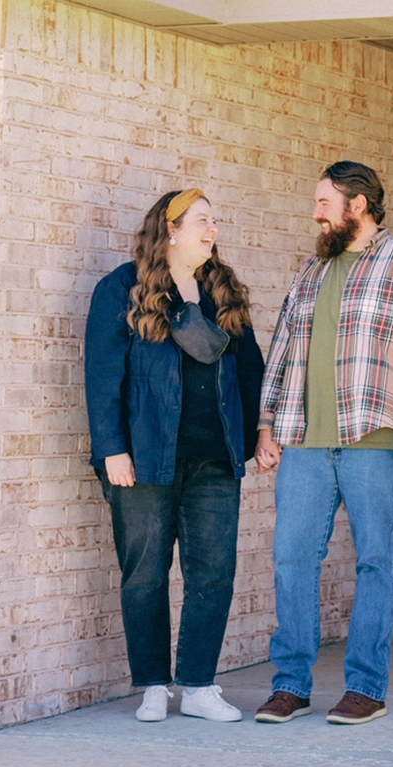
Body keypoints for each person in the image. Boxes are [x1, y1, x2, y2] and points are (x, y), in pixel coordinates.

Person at [253, 161, 393, 726]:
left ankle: (366, 687)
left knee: (375, 561)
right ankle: (290, 686)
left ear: (358, 204)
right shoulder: (309, 271)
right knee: (292, 560)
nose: (315, 213)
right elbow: (282, 351)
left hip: (377, 436)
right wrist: (267, 424)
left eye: (324, 202)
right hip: (305, 442)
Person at [84, 189, 264, 723]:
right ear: (171, 228)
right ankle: (152, 687)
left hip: (215, 457)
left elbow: (250, 367)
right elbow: (102, 376)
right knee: (144, 572)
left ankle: (200, 686)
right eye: (203, 221)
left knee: (213, 572)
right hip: (144, 458)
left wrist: (259, 432)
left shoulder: (221, 289)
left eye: (215, 221)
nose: (212, 231)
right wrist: (112, 448)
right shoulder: (122, 288)